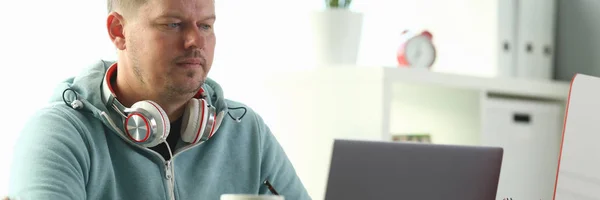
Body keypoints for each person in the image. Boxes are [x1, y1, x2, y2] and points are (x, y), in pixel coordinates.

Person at [7, 0, 311, 199]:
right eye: (172, 24)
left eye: (205, 25)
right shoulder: (58, 134)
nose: (195, 41)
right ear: (119, 31)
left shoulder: (245, 130)